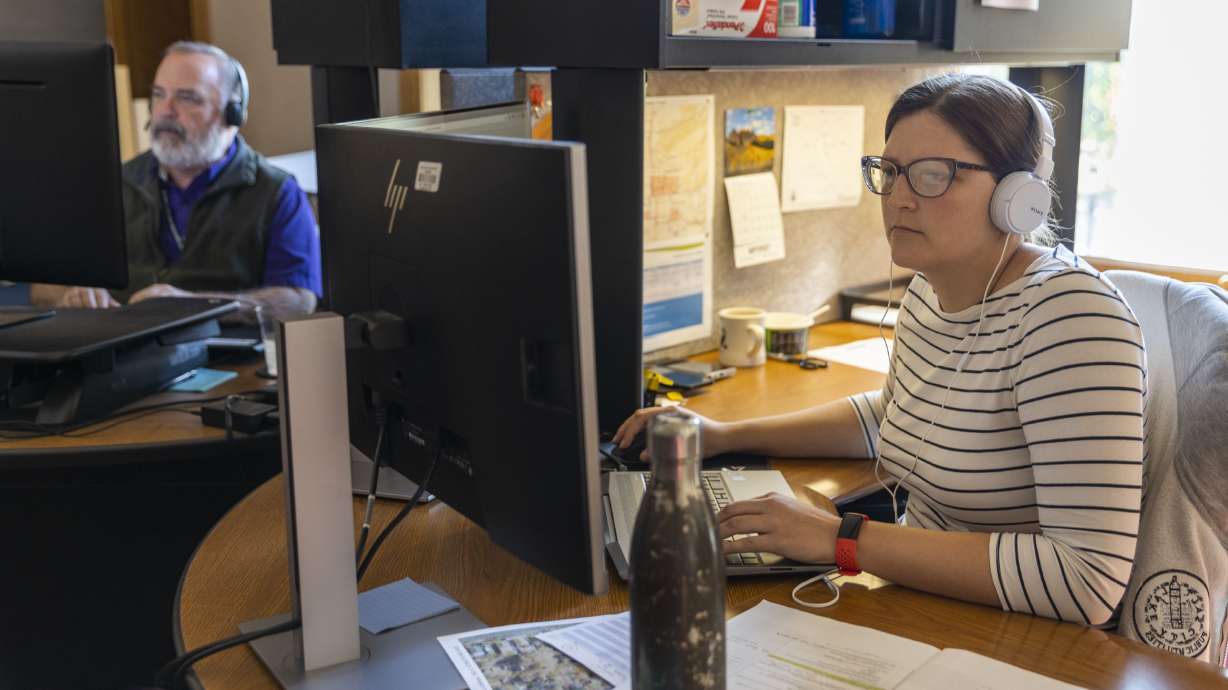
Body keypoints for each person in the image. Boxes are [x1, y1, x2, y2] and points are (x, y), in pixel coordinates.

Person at [614, 73, 1146, 627]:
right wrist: (725, 434)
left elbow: (1087, 579)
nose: (899, 198)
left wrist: (843, 539)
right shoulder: (930, 293)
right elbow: (896, 413)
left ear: (1018, 197)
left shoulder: (1070, 317)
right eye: (889, 173)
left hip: (1024, 639)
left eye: (933, 176)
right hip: (921, 603)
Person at [31, 41, 321, 317]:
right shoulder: (113, 185)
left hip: (227, 356)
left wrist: (196, 305)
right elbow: (42, 287)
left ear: (231, 113)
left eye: (186, 97)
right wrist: (72, 294)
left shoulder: (276, 191)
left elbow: (298, 301)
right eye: (159, 94)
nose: (165, 111)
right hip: (124, 350)